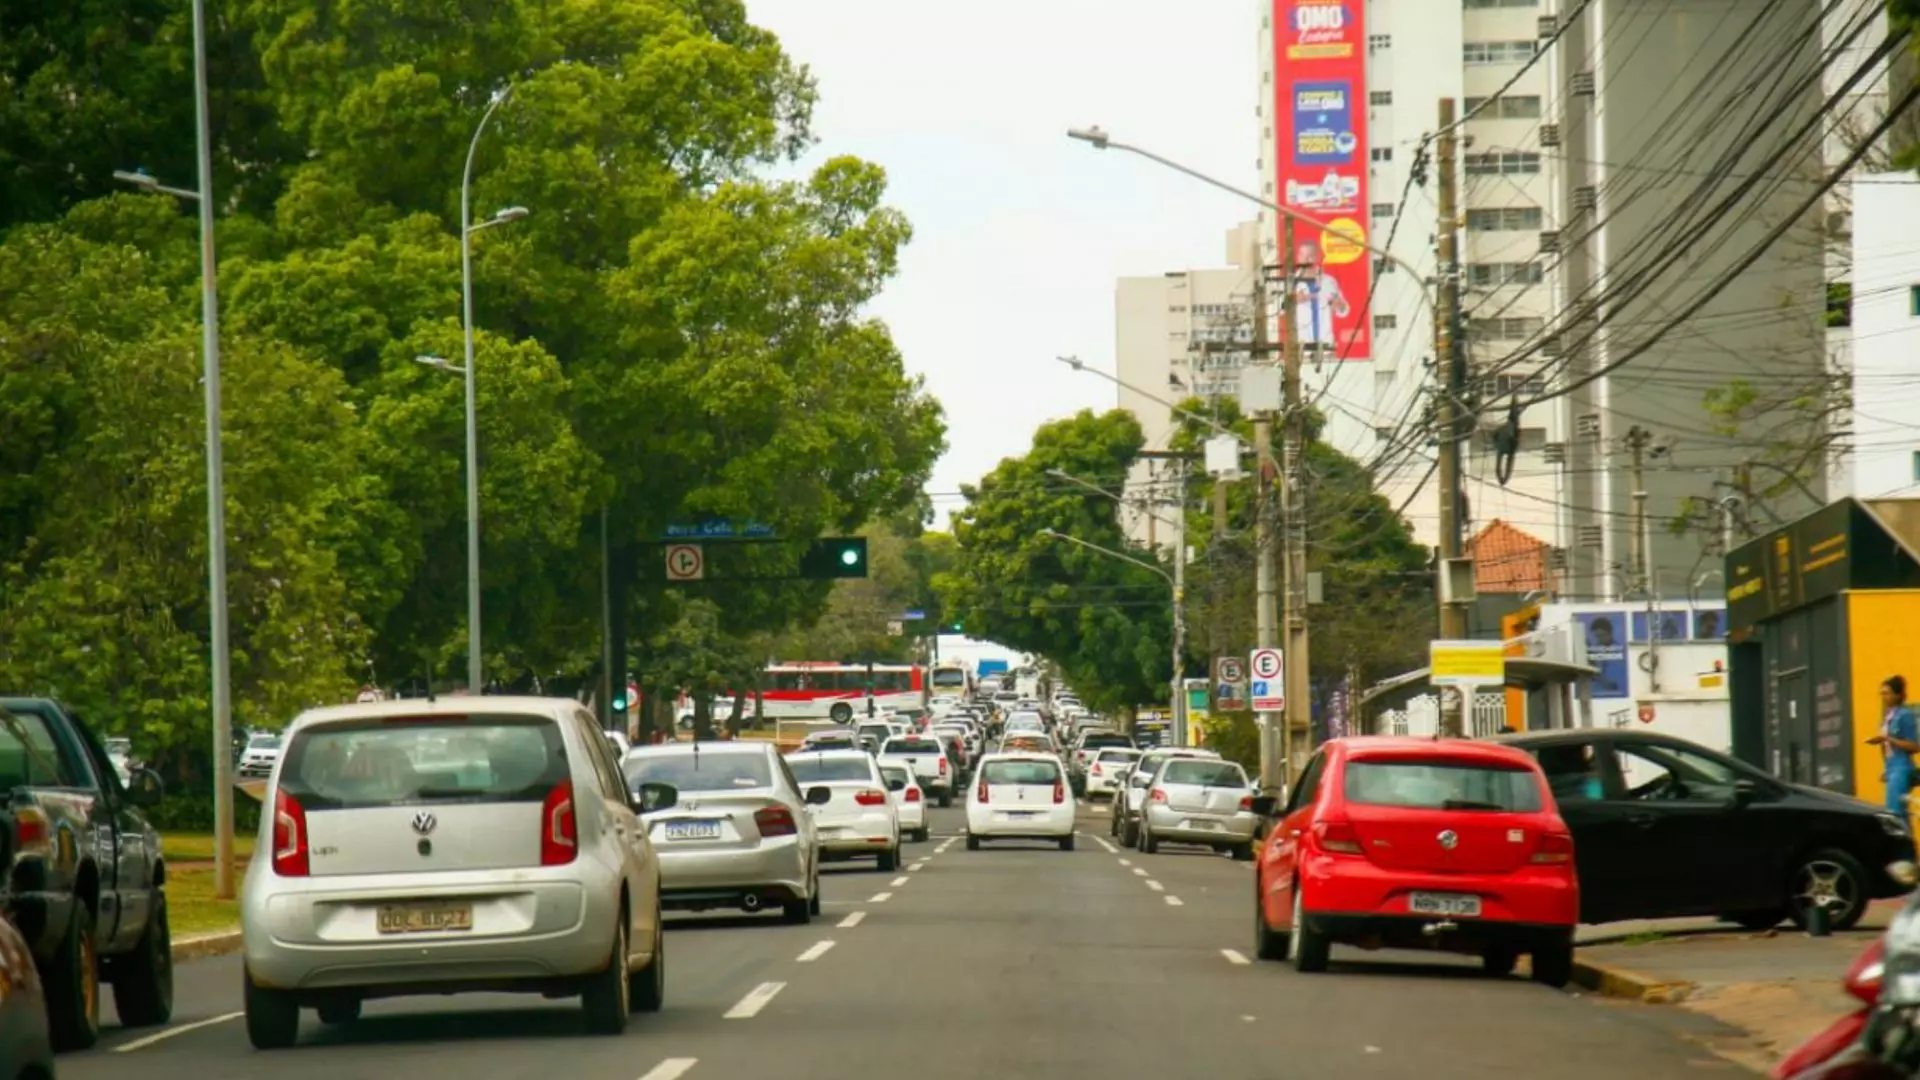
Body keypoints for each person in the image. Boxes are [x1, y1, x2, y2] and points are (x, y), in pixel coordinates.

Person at [1869, 675, 1919, 818]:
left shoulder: (1905, 715)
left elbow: (1914, 746)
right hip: (1891, 767)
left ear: (1897, 695)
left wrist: (1888, 739)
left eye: (1887, 693)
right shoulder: (1887, 718)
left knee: (1895, 814)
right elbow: (1886, 748)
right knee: (1897, 812)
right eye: (1882, 693)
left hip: (1901, 766)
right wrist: (1886, 768)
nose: (1883, 697)